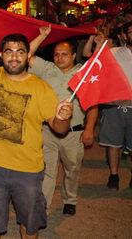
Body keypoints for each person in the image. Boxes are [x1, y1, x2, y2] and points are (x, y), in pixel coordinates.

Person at [0, 0, 73, 239]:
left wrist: (63, 116)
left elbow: (59, 128)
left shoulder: (41, 88)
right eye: (8, 52)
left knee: (29, 227)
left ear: (27, 56)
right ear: (1, 56)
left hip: (29, 171)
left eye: (20, 51)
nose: (14, 57)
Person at [28, 27, 99, 215]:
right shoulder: (47, 69)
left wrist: (89, 129)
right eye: (57, 54)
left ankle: (70, 199)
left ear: (74, 55)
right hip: (47, 130)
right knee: (47, 170)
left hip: (73, 133)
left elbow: (93, 105)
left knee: (72, 169)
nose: (59, 58)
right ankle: (44, 205)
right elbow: (26, 55)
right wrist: (42, 36)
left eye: (64, 54)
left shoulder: (84, 73)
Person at [98, 21, 132, 190]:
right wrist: (98, 43)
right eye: (131, 32)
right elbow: (93, 58)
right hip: (115, 107)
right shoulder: (115, 52)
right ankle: (114, 175)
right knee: (114, 144)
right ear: (125, 35)